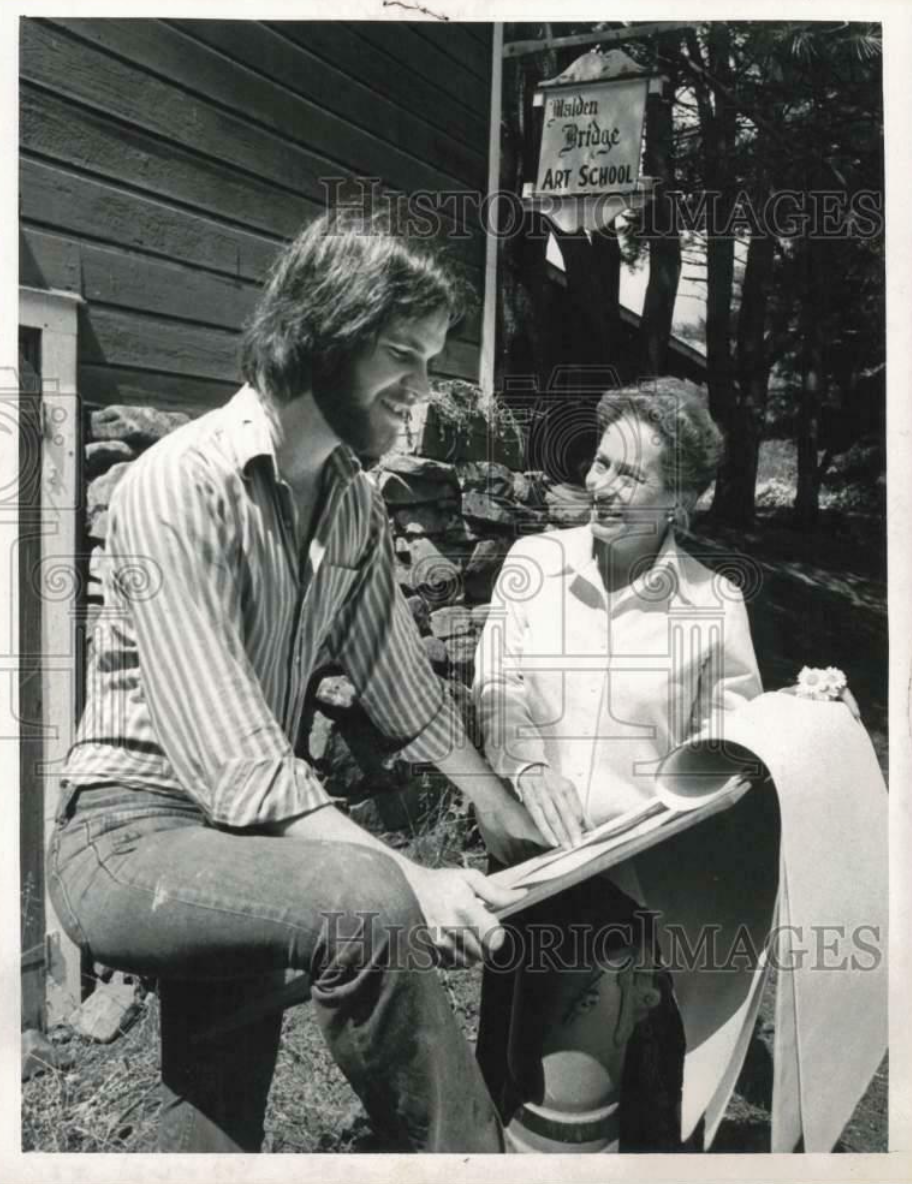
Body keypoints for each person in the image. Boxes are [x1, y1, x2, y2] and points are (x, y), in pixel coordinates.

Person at [48, 205, 546, 1154]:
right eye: (404, 355)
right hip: (126, 836)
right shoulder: (175, 486)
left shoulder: (352, 504)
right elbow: (238, 764)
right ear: (321, 336)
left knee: (218, 1114)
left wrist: (499, 809)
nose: (423, 390)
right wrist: (411, 880)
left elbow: (404, 690)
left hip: (240, 844)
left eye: (434, 361)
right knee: (363, 902)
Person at [471, 380, 764, 1148]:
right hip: (528, 868)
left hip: (642, 898)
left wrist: (783, 743)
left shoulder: (715, 605)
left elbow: (732, 752)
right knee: (510, 1078)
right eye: (600, 463)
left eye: (629, 476)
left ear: (680, 501)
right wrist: (528, 766)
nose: (600, 486)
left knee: (627, 1105)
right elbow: (495, 684)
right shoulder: (534, 561)